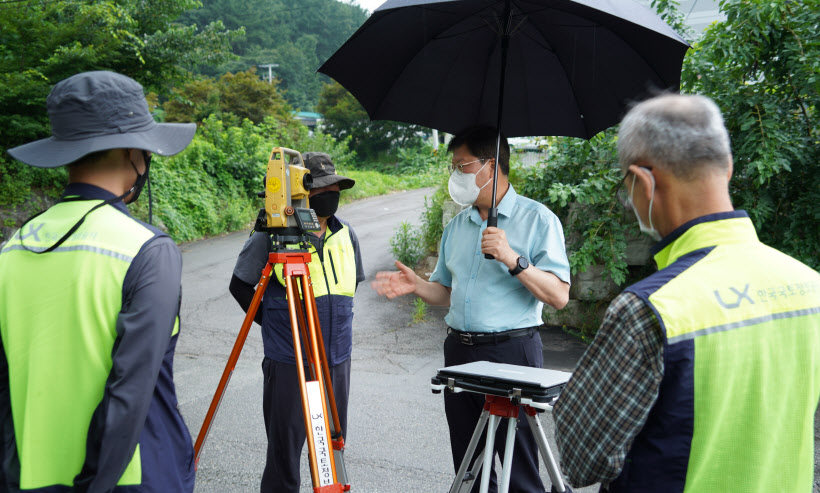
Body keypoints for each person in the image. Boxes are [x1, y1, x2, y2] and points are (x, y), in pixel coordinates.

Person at [552, 93, 820, 492]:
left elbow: (580, 459)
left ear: (643, 182)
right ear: (727, 167)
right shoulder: (808, 285)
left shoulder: (651, 308)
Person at [0, 71, 197, 492]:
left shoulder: (13, 248)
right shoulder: (146, 249)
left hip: (29, 475)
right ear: (133, 152)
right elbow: (131, 392)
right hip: (129, 477)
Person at [372, 125, 571, 492]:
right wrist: (418, 286)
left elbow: (558, 296)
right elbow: (445, 292)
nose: (455, 175)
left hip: (512, 352)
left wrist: (513, 258)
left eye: (461, 166)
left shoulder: (538, 220)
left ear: (490, 166)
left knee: (519, 465)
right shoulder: (457, 226)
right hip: (459, 351)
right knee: (469, 463)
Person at [229, 152, 365, 493]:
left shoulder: (346, 233)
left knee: (330, 448)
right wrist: (278, 327)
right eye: (322, 188)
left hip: (336, 358)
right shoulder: (274, 234)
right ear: (302, 192)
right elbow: (240, 284)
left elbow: (350, 286)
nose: (331, 193)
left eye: (335, 187)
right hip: (290, 359)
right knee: (284, 455)